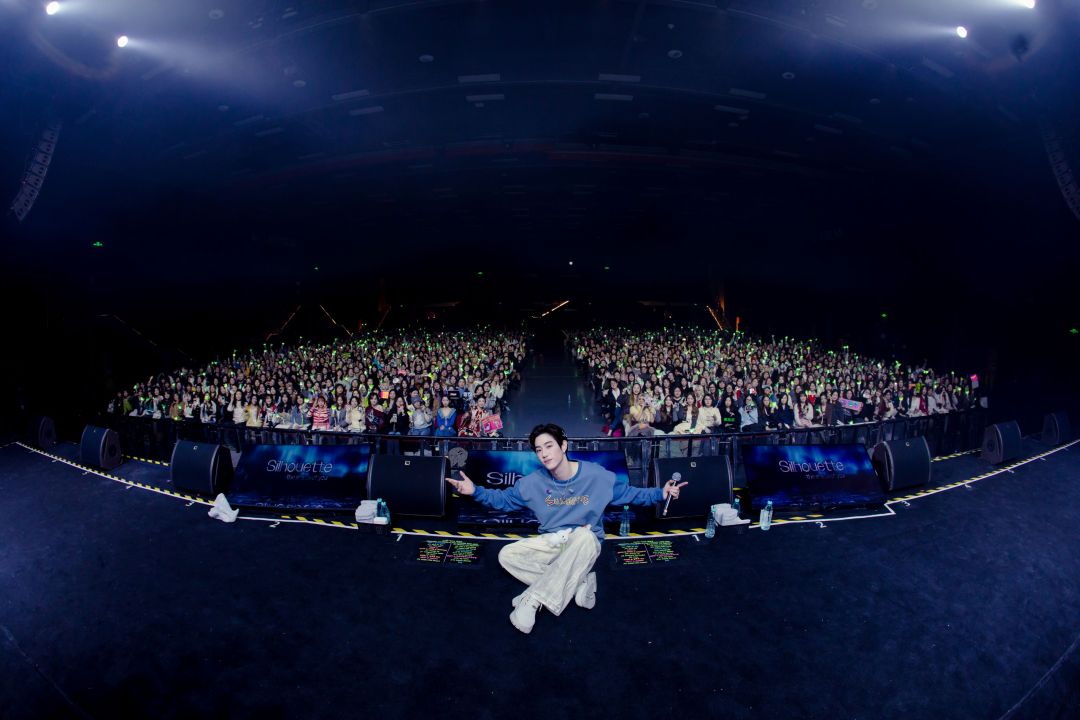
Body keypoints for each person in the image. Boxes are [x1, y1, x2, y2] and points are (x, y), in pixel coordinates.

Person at [445, 423, 687, 634]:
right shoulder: (531, 483)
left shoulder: (597, 476)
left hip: (585, 543)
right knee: (506, 555)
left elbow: (631, 494)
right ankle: (579, 583)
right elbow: (503, 501)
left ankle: (533, 600)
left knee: (584, 535)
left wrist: (660, 492)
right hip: (552, 541)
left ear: (563, 445)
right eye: (538, 449)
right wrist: (474, 491)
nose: (543, 453)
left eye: (549, 446)